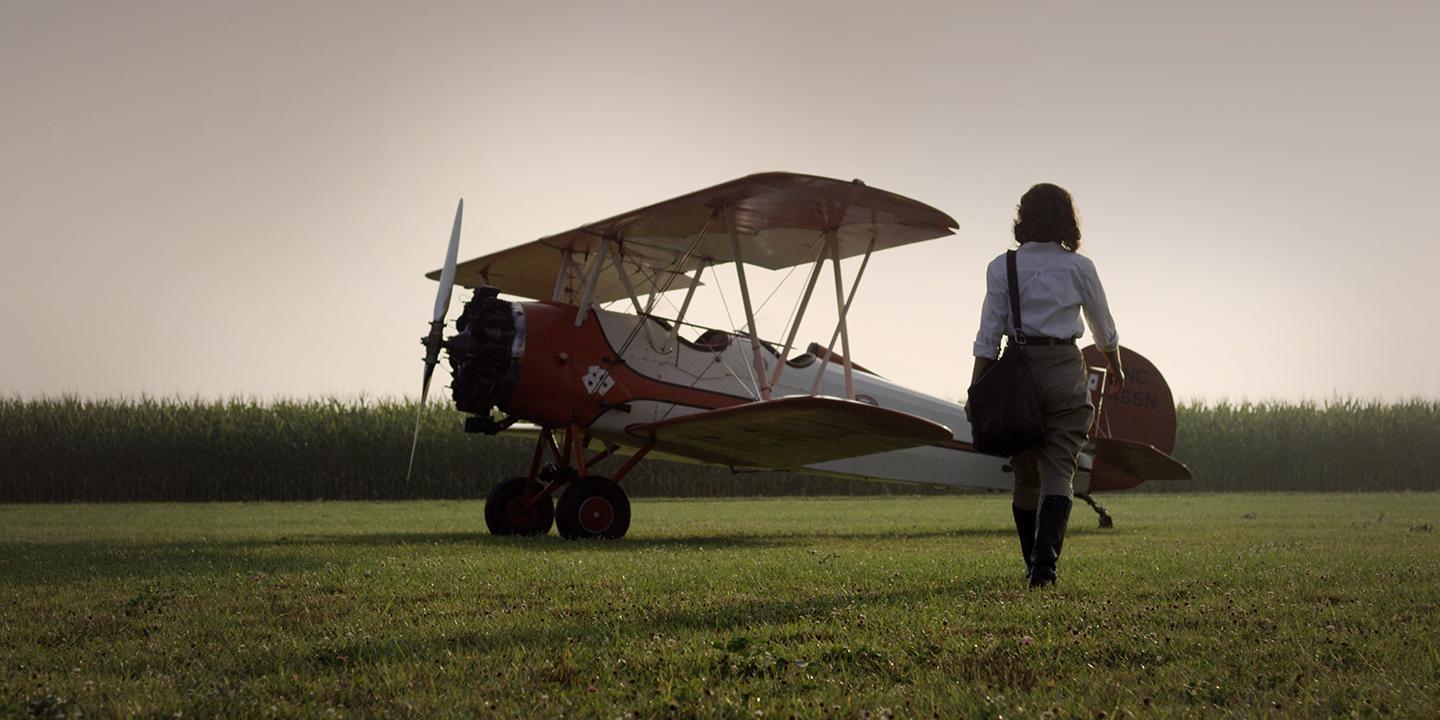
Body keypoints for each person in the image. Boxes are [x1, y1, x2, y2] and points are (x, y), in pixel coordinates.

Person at [969, 183, 1124, 588]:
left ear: (1023, 217)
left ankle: (1031, 562)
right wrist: (1116, 368)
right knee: (1060, 470)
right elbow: (1103, 330)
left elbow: (988, 335)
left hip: (1016, 372)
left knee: (1024, 474)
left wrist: (976, 388)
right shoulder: (1080, 267)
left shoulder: (1001, 266)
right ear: (1066, 220)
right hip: (1063, 369)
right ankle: (1045, 569)